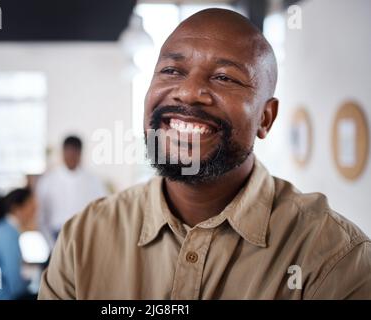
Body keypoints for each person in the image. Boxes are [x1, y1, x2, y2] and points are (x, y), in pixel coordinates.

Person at [38, 9, 371, 299]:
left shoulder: (333, 259)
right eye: (171, 70)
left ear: (265, 118)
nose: (188, 91)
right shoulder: (83, 239)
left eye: (224, 77)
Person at [36, 136, 107, 247]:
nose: (71, 157)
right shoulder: (48, 180)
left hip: (83, 233)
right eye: (68, 152)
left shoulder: (93, 181)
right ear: (63, 153)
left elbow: (102, 209)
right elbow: (42, 215)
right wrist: (50, 244)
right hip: (56, 234)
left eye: (75, 153)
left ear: (80, 154)